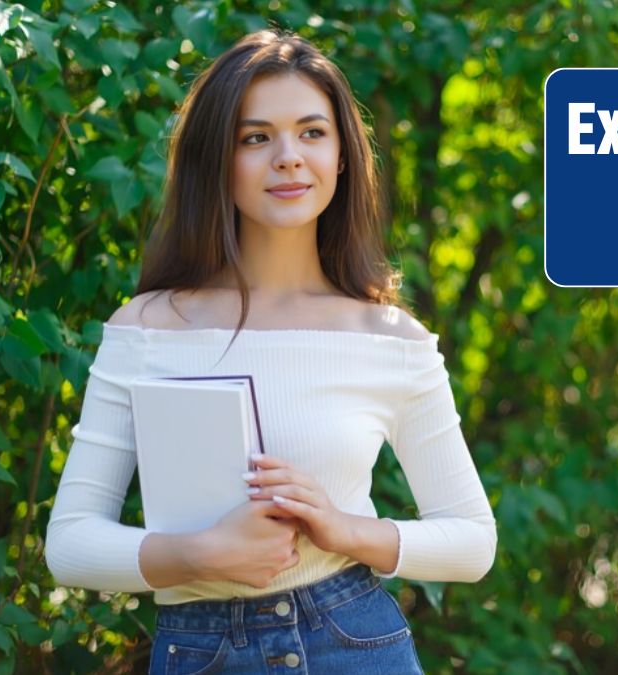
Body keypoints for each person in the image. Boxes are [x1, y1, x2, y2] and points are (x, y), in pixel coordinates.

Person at [44, 29, 497, 674]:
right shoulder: (147, 328)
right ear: (216, 160)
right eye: (256, 138)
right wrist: (200, 553)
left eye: (312, 132)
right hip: (200, 650)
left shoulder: (392, 339)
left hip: (354, 642)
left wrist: (344, 529)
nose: (289, 157)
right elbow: (70, 543)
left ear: (343, 156)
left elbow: (473, 542)